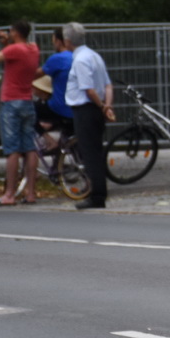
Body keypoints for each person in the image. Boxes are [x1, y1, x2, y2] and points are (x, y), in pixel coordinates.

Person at [0, 22, 41, 205]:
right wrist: (7, 42)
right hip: (27, 101)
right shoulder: (33, 49)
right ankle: (30, 193)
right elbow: (15, 56)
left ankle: (9, 194)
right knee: (30, 148)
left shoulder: (14, 50)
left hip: (10, 103)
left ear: (15, 32)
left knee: (12, 150)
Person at [62, 23, 114, 211]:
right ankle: (98, 191)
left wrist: (100, 105)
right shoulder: (94, 56)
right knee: (95, 150)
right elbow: (107, 85)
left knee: (89, 153)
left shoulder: (80, 60)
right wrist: (107, 105)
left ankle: (97, 195)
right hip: (96, 108)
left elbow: (88, 89)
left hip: (86, 109)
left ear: (68, 41)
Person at [39, 28, 75, 134]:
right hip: (77, 108)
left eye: (54, 42)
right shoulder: (79, 57)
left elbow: (35, 75)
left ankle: (46, 138)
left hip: (59, 107)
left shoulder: (57, 58)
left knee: (28, 111)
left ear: (59, 42)